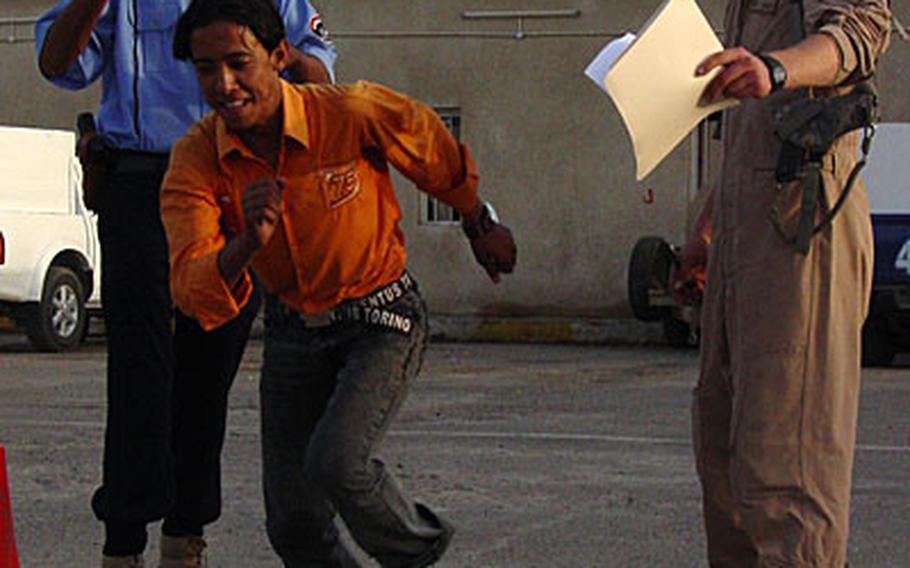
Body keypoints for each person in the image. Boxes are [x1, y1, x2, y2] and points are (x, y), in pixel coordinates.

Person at [160, 0, 517, 565]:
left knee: (336, 461)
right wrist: (246, 244)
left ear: (278, 56)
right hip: (291, 331)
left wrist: (478, 221)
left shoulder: (348, 112)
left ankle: (417, 550)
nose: (224, 85)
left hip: (382, 319)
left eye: (238, 63)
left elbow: (429, 148)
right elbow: (192, 285)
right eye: (206, 69)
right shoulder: (196, 159)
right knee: (294, 524)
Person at [34, 1, 335, 566]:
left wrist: (265, 56)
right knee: (139, 370)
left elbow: (320, 78)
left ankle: (185, 535)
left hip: (233, 178)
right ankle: (122, 542)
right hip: (142, 183)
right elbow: (58, 64)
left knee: (209, 369)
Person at [672, 1, 892, 565]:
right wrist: (709, 222)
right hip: (744, 232)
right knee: (725, 459)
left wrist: (775, 68)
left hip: (802, 225)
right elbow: (748, 132)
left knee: (788, 473)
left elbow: (862, 29)